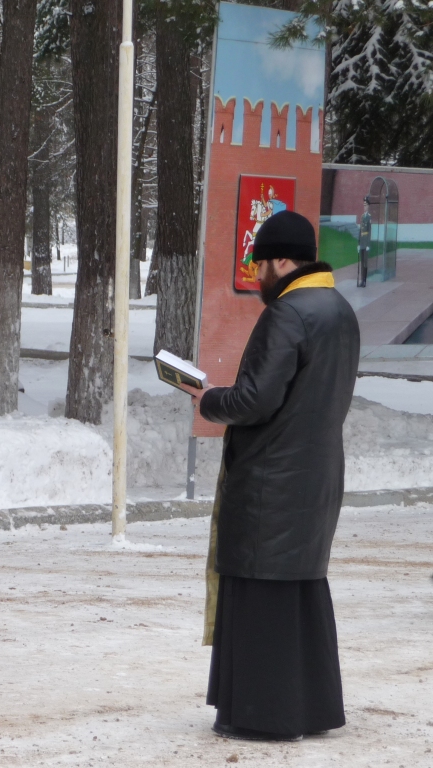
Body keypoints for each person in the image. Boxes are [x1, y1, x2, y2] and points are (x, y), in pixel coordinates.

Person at [182, 210, 359, 742]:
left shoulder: (288, 313)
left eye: (261, 264)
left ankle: (262, 713)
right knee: (302, 595)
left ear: (283, 261)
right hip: (316, 475)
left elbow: (255, 400)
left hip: (270, 482)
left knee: (262, 597)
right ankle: (311, 708)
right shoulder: (339, 309)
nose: (258, 276)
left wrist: (207, 398)